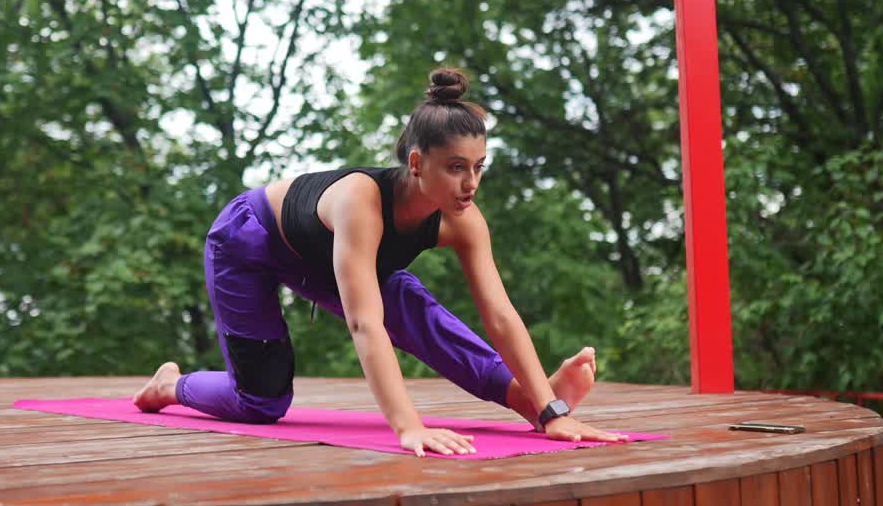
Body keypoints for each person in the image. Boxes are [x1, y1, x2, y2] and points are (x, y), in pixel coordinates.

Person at [133, 67, 626, 457]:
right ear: (416, 163)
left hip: (330, 257)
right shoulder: (361, 201)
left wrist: (553, 412)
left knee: (415, 309)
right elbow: (364, 324)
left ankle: (528, 399)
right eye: (455, 168)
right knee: (261, 403)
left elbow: (500, 315)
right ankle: (172, 385)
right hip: (249, 243)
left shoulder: (465, 219)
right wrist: (409, 425)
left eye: (478, 167)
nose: (470, 184)